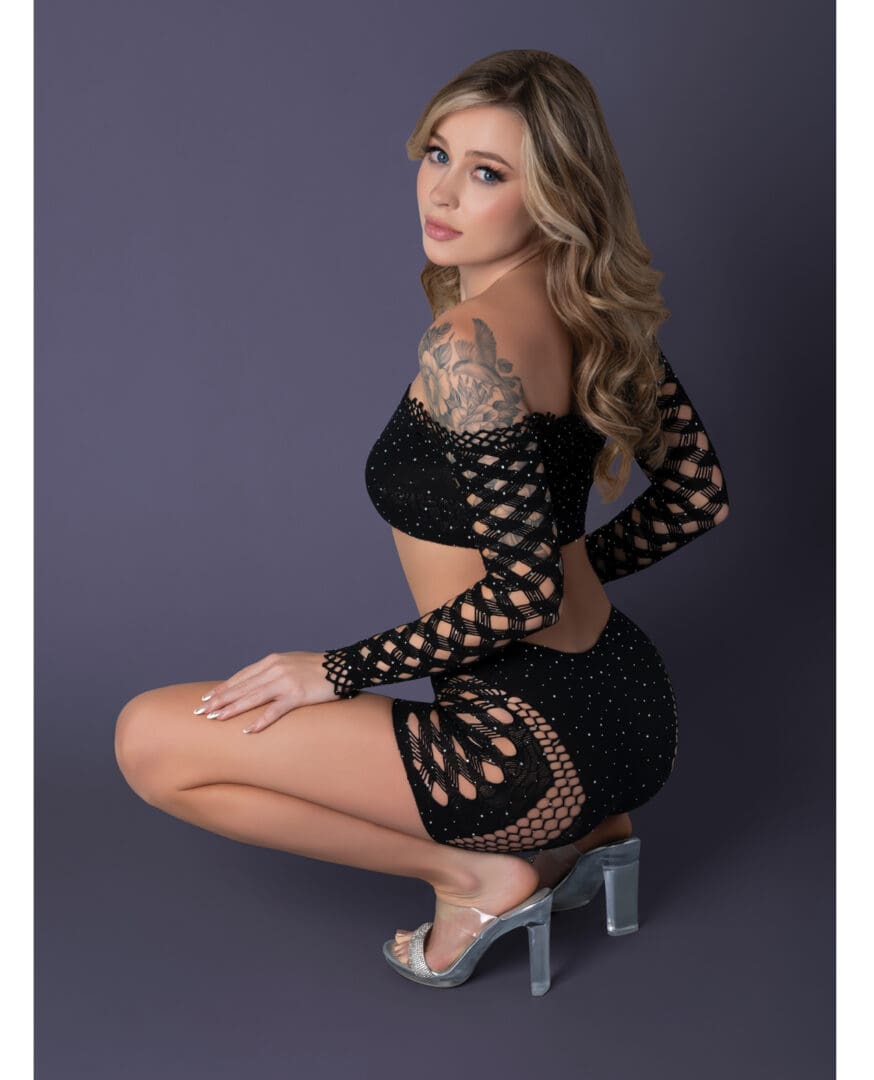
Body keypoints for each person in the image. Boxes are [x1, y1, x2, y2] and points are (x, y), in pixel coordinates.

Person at [114, 49, 730, 995]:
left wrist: (335, 670)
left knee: (148, 744)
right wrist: (571, 565)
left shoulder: (467, 344)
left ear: (556, 193)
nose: (441, 192)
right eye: (438, 154)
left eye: (487, 173)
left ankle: (475, 878)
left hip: (520, 752)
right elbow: (696, 499)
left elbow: (523, 595)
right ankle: (590, 838)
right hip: (635, 717)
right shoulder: (599, 313)